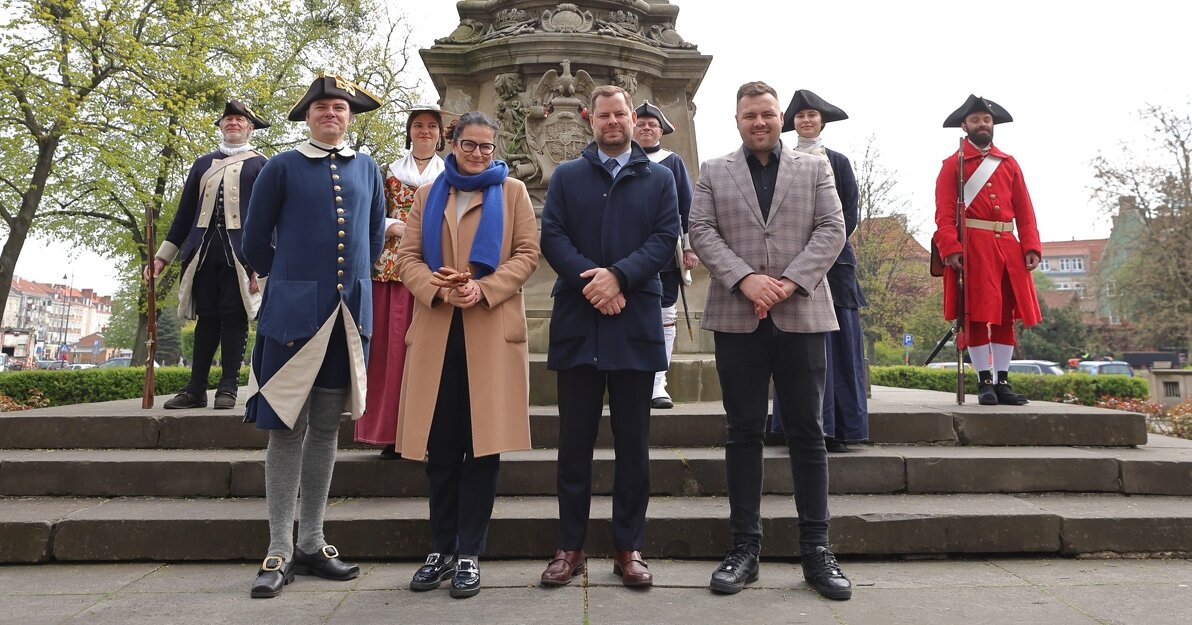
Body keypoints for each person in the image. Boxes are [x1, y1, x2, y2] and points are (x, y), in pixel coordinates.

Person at [689, 81, 851, 600]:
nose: (758, 122)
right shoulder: (714, 171)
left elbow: (832, 226)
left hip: (801, 311)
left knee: (806, 433)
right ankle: (744, 549)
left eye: (766, 114)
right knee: (742, 432)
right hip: (738, 316)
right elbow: (701, 230)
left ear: (779, 118)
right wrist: (745, 279)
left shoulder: (814, 167)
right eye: (749, 115)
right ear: (737, 120)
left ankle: (816, 551)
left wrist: (785, 282)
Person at [240, 74, 385, 599]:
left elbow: (372, 238)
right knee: (286, 427)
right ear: (308, 115)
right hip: (293, 318)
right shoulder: (280, 165)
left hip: (347, 319)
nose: (332, 113)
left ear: (350, 117)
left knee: (326, 428)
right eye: (322, 107)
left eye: (340, 108)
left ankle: (313, 541)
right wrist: (291, 281)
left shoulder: (367, 167)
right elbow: (254, 242)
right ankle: (279, 546)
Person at [393, 111, 540, 599]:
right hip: (437, 330)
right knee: (441, 447)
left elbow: (527, 254)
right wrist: (434, 287)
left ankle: (470, 552)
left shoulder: (513, 193)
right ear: (452, 143)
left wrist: (484, 289)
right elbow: (408, 257)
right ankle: (440, 547)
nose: (478, 154)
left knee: (482, 448)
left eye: (486, 147)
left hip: (489, 331)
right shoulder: (429, 194)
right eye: (469, 144)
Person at [538, 85, 679, 589]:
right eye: (605, 114)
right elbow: (552, 235)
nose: (614, 121)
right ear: (588, 118)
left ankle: (628, 546)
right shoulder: (567, 176)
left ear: (632, 118)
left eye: (621, 113)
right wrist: (594, 283)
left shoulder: (659, 177)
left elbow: (665, 238)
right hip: (579, 322)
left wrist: (618, 277)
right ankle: (569, 547)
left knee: (633, 446)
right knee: (573, 445)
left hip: (634, 320)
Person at [146, 101, 268, 410]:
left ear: (250, 128)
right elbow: (184, 213)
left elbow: (270, 218)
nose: (233, 124)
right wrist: (162, 258)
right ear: (221, 126)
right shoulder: (202, 164)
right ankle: (196, 388)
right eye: (228, 119)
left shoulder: (262, 164)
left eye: (239, 120)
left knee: (235, 317)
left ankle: (228, 387)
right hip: (202, 253)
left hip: (242, 256)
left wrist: (262, 264)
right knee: (206, 319)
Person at [770, 90, 868, 452]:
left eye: (812, 116)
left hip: (836, 265)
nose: (806, 121)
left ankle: (839, 427)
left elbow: (849, 214)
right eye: (800, 117)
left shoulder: (838, 163)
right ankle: (795, 426)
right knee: (794, 349)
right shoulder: (781, 161)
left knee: (838, 349)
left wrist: (821, 250)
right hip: (791, 265)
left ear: (821, 121)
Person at [933, 95, 1042, 406]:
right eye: (976, 120)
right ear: (965, 125)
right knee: (977, 315)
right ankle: (984, 382)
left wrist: (1031, 245)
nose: (982, 124)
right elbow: (943, 213)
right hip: (973, 247)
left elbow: (1025, 208)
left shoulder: (1009, 163)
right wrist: (950, 247)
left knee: (1005, 314)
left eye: (987, 120)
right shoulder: (951, 165)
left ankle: (1003, 381)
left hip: (1008, 246)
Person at [354, 104, 448, 459]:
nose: (424, 131)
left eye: (431, 126)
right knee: (390, 354)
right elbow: (368, 214)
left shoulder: (450, 173)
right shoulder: (386, 171)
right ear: (409, 131)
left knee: (428, 353)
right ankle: (391, 434)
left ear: (440, 135)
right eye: (418, 126)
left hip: (433, 270)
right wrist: (394, 226)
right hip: (391, 271)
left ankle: (427, 434)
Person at [632, 100, 698, 410]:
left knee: (665, 316)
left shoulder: (673, 163)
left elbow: (688, 209)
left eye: (652, 125)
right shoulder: (621, 160)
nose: (646, 128)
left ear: (662, 130)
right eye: (641, 124)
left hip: (664, 254)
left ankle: (659, 382)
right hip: (627, 254)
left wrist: (688, 247)